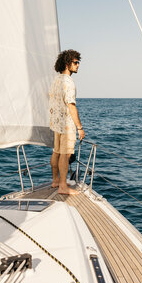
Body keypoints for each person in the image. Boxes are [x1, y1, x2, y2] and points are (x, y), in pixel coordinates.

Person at [49, 49, 85, 195]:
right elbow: (71, 105)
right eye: (75, 62)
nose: (78, 65)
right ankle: (63, 187)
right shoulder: (68, 82)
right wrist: (80, 128)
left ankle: (55, 180)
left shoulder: (56, 80)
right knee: (65, 154)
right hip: (66, 125)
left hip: (56, 123)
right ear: (67, 63)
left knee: (56, 152)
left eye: (78, 62)